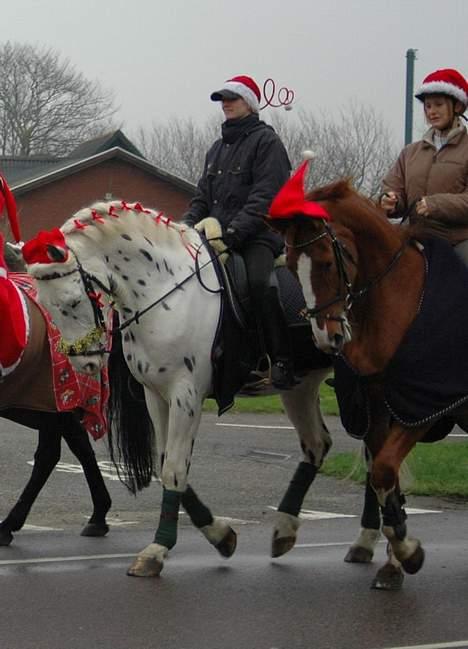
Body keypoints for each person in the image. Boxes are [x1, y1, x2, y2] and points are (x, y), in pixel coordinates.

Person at [183, 74, 296, 388]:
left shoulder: (268, 143)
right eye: (223, 99)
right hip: (215, 236)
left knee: (260, 283)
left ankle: (279, 360)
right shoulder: (215, 149)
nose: (226, 104)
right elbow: (202, 198)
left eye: (233, 98)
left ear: (250, 103)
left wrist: (232, 234)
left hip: (257, 235)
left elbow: (266, 197)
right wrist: (184, 228)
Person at [379, 68, 468, 264]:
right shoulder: (410, 152)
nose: (431, 111)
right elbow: (394, 188)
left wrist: (436, 205)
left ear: (458, 106)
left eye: (438, 105)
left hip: (458, 241)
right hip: (415, 238)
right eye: (427, 106)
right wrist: (390, 200)